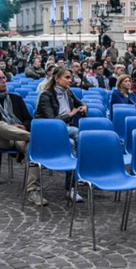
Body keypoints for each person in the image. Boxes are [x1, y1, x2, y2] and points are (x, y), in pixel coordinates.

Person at [0, 68, 45, 205]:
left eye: (4, 77)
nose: (3, 81)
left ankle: (33, 191)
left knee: (32, 146)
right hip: (0, 139)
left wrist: (24, 126)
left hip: (21, 137)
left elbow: (28, 120)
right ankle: (40, 138)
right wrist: (8, 128)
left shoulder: (16, 99)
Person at [36, 66, 86, 201]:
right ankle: (84, 170)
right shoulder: (46, 95)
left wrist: (84, 106)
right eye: (67, 77)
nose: (71, 80)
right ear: (57, 79)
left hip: (65, 131)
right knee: (76, 132)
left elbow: (80, 102)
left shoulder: (68, 92)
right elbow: (52, 121)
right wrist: (71, 114)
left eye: (71, 77)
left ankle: (71, 188)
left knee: (71, 144)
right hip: (49, 131)